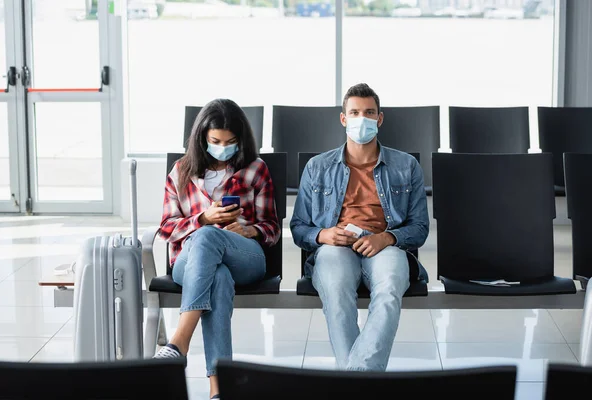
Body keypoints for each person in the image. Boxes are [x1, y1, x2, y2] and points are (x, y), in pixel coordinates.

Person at [290, 83, 429, 372]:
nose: (361, 119)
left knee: (390, 288)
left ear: (380, 118)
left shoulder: (407, 166)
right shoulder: (317, 167)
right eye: (354, 112)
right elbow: (299, 227)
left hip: (384, 245)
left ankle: (352, 382)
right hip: (335, 246)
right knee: (336, 291)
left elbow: (419, 228)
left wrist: (388, 237)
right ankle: (363, 382)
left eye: (369, 113)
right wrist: (323, 234)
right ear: (343, 119)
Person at [154, 99, 281, 399]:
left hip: (245, 257)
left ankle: (179, 342)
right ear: (202, 138)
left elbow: (273, 229)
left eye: (230, 142)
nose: (223, 147)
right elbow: (166, 228)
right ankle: (218, 390)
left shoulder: (255, 170)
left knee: (212, 241)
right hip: (190, 263)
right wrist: (203, 218)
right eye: (215, 141)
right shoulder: (181, 171)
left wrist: (249, 229)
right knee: (216, 272)